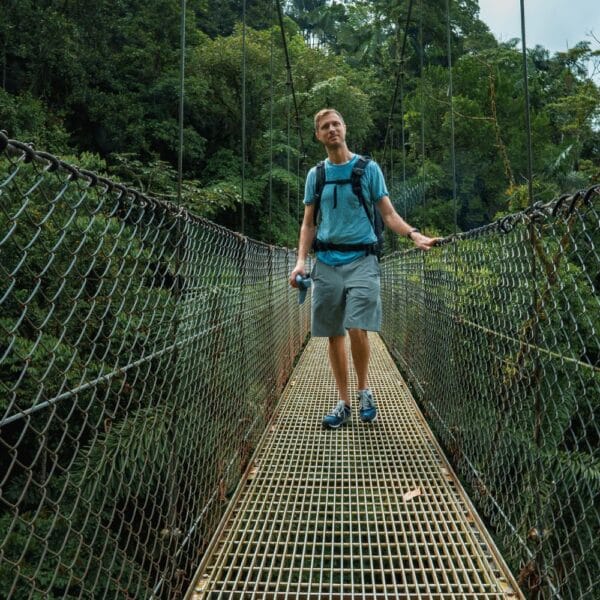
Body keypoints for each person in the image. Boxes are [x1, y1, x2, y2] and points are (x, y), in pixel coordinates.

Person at [289, 108, 438, 429]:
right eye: (325, 126)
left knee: (356, 326)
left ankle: (363, 391)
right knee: (333, 334)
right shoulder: (316, 175)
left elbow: (388, 214)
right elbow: (308, 224)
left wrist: (413, 234)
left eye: (337, 124)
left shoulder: (368, 169)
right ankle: (343, 402)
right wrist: (301, 261)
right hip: (326, 262)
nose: (332, 130)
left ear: (345, 129)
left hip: (362, 260)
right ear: (318, 135)